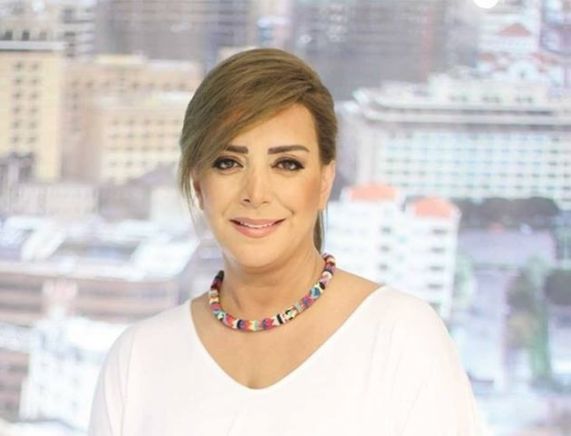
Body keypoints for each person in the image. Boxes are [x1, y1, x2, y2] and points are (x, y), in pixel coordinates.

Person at [88, 48, 485, 435]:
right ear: (198, 184)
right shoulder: (139, 359)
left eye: (286, 164)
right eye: (228, 162)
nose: (256, 193)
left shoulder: (402, 337)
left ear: (324, 181)